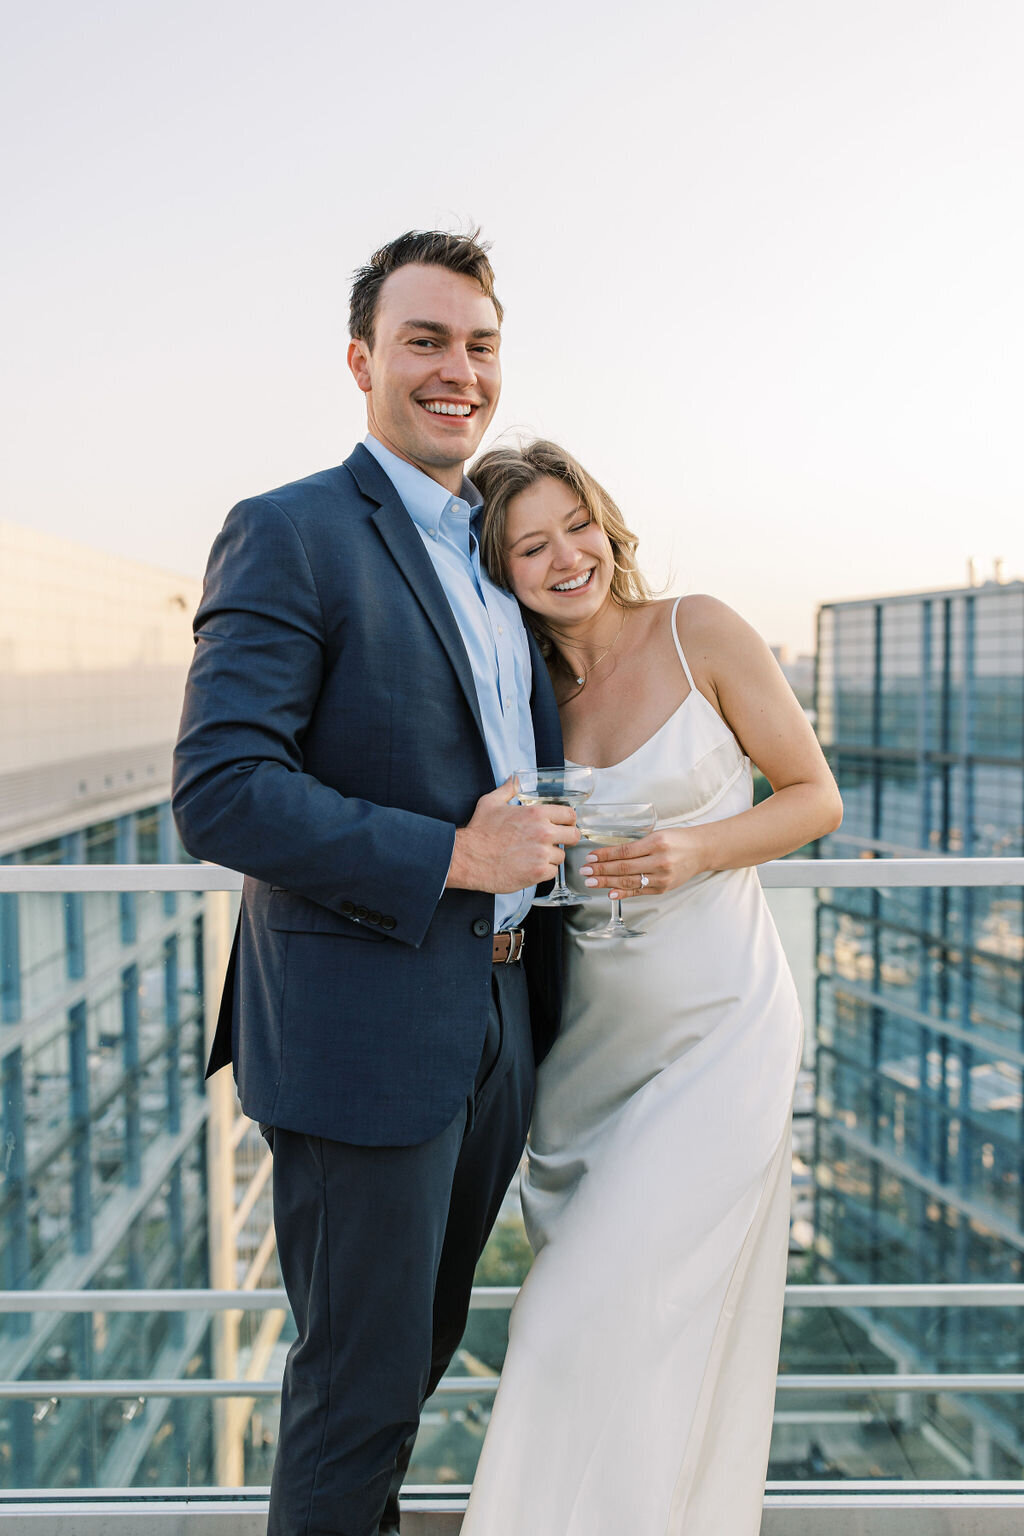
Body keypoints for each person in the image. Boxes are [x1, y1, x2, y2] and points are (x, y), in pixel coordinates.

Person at [171, 233, 577, 1536]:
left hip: (503, 1016)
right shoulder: (290, 531)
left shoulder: (496, 550)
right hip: (360, 1032)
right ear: (362, 359)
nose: (457, 370)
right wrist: (457, 857)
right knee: (355, 1393)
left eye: (479, 345)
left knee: (410, 1363)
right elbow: (222, 788)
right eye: (425, 341)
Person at [460, 440, 843, 1535]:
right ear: (502, 571)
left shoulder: (700, 628)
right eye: (530, 546)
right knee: (622, 1332)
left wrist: (698, 849)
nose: (566, 555)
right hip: (587, 1062)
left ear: (606, 520)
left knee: (574, 1322)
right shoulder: (517, 689)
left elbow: (814, 798)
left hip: (721, 1032)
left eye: (575, 523)